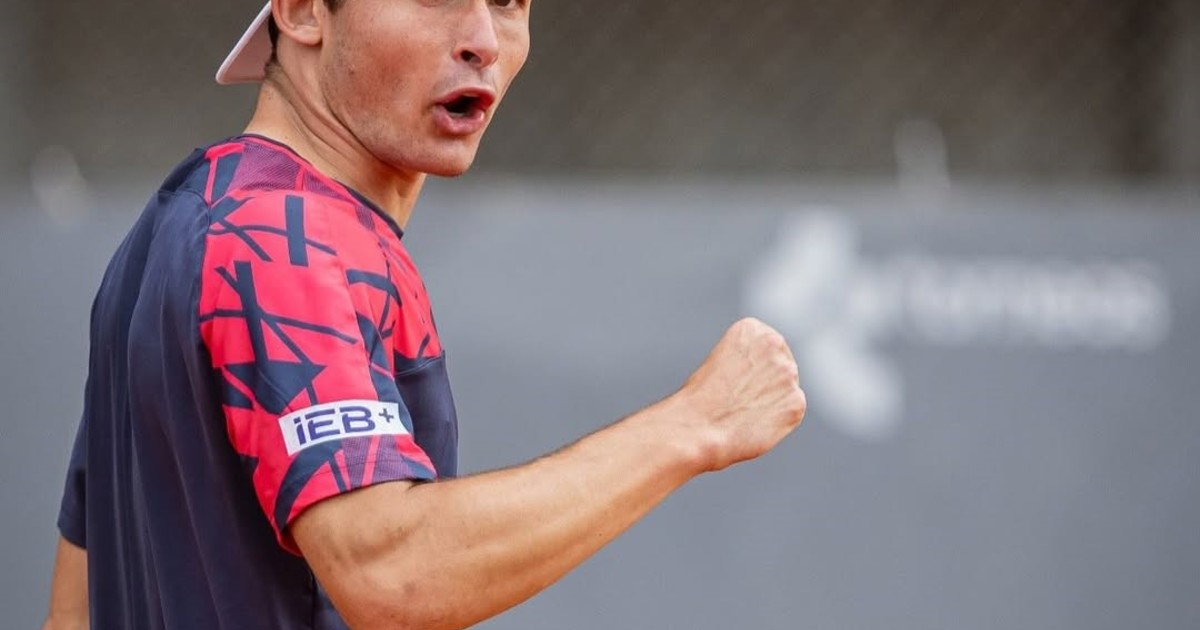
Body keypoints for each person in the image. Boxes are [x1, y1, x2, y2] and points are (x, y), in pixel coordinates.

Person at [42, 0, 808, 628]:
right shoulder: (283, 238)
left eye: (507, 3)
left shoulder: (178, 220)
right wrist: (694, 425)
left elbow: (72, 615)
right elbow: (394, 574)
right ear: (303, 12)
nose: (483, 41)